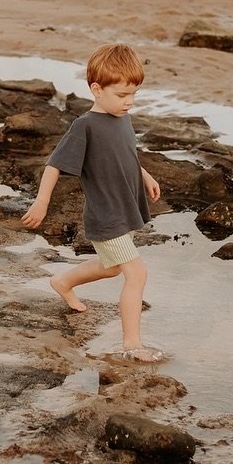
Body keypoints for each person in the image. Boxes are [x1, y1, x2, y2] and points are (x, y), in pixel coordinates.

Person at [21, 44, 165, 362]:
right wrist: (42, 202)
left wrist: (145, 175)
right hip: (106, 214)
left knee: (111, 267)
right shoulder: (85, 126)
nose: (129, 102)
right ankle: (132, 344)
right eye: (121, 94)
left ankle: (63, 281)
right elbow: (55, 164)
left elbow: (125, 154)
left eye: (133, 95)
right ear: (97, 90)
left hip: (121, 208)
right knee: (136, 274)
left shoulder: (122, 118)